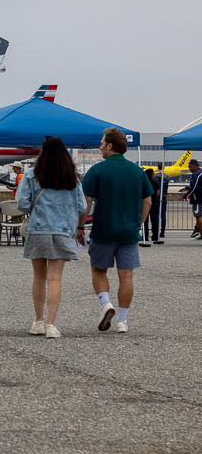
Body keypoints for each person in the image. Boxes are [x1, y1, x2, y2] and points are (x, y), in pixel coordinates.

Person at [16, 136, 87, 338]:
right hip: (63, 230)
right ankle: (51, 325)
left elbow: (22, 204)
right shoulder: (72, 178)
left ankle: (38, 321)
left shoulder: (31, 175)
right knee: (55, 278)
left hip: (38, 229)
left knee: (38, 277)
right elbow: (82, 206)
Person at [82, 127, 152, 334]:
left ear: (110, 146)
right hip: (128, 232)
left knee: (98, 270)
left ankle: (106, 304)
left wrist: (80, 224)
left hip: (103, 230)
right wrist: (138, 223)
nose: (100, 146)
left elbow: (86, 200)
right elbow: (147, 201)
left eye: (102, 142)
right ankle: (122, 321)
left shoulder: (97, 170)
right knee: (126, 276)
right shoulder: (137, 171)